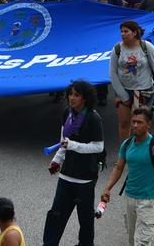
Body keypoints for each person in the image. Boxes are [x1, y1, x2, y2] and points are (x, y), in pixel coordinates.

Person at [101, 108, 154, 246]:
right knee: (132, 240)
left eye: (139, 122)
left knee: (141, 242)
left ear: (148, 124)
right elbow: (118, 167)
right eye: (133, 122)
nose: (135, 125)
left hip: (148, 201)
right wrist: (108, 188)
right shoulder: (127, 144)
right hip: (130, 198)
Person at [43, 80, 105, 246]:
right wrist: (57, 160)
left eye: (76, 95)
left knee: (85, 220)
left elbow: (99, 147)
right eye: (70, 94)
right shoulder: (67, 113)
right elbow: (64, 141)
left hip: (85, 179)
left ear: (85, 98)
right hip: (66, 176)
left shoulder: (93, 118)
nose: (72, 98)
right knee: (55, 215)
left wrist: (74, 146)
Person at [109, 20, 154, 143]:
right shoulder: (117, 49)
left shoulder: (146, 47)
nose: (123, 34)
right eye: (121, 31)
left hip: (144, 91)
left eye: (126, 31)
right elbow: (112, 73)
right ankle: (124, 155)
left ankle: (141, 153)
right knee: (124, 123)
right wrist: (122, 95)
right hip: (124, 91)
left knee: (139, 125)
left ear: (134, 33)